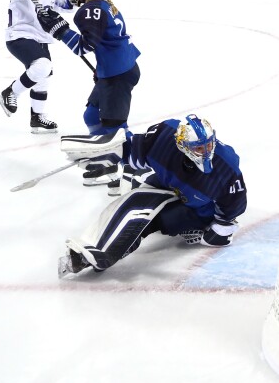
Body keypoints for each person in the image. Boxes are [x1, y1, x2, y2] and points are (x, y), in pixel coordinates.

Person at [57, 115, 247, 277]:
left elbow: (233, 205)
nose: (206, 152)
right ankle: (98, 246)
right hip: (170, 183)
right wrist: (104, 153)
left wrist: (214, 233)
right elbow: (134, 149)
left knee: (165, 220)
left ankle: (108, 252)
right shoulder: (165, 137)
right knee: (135, 200)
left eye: (208, 145)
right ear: (183, 146)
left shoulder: (225, 167)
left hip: (199, 208)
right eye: (199, 148)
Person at [36, 0, 141, 185]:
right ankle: (105, 160)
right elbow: (106, 42)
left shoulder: (89, 10)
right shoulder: (105, 6)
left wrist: (60, 29)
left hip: (117, 75)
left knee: (116, 130)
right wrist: (101, 69)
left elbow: (84, 47)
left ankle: (136, 171)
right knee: (91, 117)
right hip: (116, 69)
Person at [0, 0, 74, 134]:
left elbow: (67, 6)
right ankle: (10, 92)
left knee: (44, 76)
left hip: (41, 39)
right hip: (20, 36)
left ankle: (37, 117)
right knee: (43, 65)